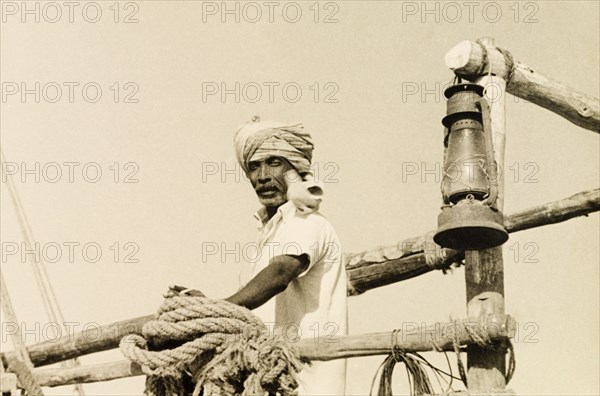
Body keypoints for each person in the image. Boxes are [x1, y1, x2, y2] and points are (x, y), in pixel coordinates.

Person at [170, 120, 347, 395]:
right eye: (254, 166)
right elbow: (252, 311)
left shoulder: (308, 222)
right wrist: (204, 308)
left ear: (295, 169)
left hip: (306, 387)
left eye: (274, 162)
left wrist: (213, 311)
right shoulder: (267, 235)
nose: (263, 176)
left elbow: (278, 276)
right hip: (266, 385)